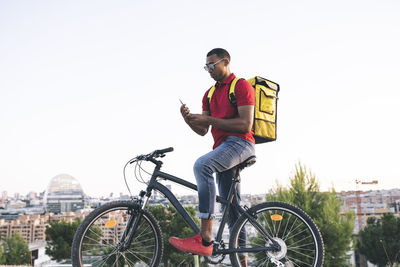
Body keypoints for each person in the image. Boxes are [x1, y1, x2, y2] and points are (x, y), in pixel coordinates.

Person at [169, 48, 255, 265]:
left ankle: (205, 236)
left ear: (225, 62)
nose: (208, 70)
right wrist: (189, 120)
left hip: (241, 144)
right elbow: (202, 130)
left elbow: (246, 124)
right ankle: (242, 263)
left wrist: (210, 120)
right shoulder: (208, 94)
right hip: (223, 148)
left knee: (202, 166)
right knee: (233, 211)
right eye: (205, 66)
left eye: (212, 65)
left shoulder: (241, 86)